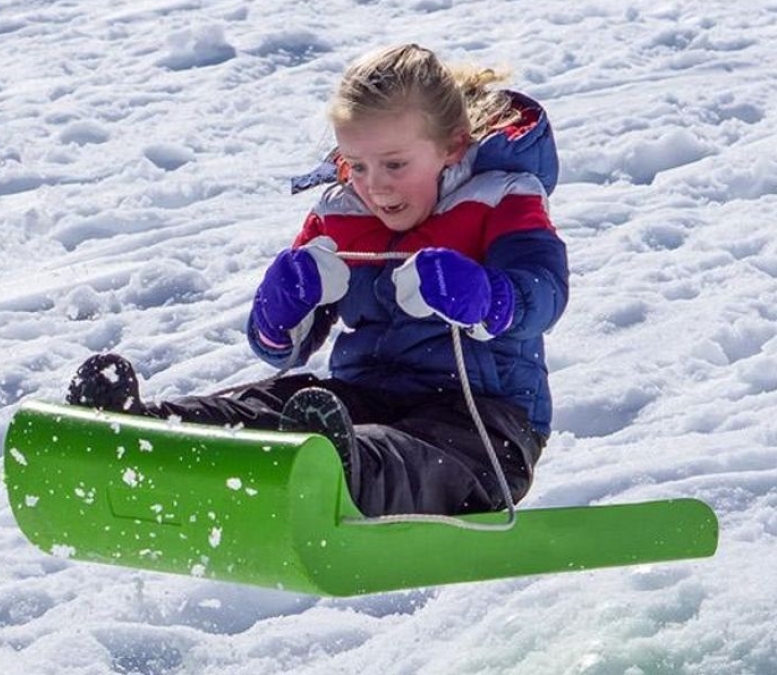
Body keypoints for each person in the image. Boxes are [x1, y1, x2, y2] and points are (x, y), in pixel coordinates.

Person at [67, 44, 569, 518]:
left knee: (413, 453)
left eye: (395, 164)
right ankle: (142, 436)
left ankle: (335, 474)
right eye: (357, 165)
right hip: (363, 399)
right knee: (277, 405)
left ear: (452, 146)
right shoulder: (340, 212)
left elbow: (544, 288)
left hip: (486, 423)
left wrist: (485, 297)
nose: (375, 185)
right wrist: (284, 306)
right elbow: (281, 348)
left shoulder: (503, 199)